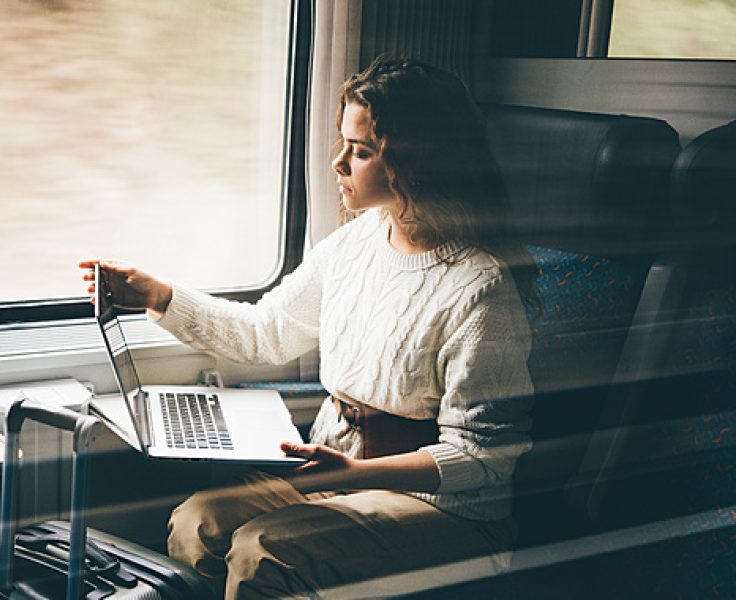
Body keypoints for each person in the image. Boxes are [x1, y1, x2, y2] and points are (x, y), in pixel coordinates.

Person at [79, 57, 537, 599]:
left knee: (262, 549)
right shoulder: (358, 242)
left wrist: (350, 474)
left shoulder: (480, 288)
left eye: (361, 151)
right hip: (339, 471)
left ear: (417, 164)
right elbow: (266, 331)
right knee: (197, 523)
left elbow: (483, 459)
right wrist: (160, 297)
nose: (337, 163)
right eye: (343, 143)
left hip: (445, 509)